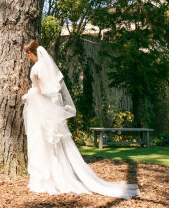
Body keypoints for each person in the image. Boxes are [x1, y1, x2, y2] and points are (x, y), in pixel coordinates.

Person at [22, 40, 140, 198]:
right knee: (52, 146)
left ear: (30, 53)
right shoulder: (46, 66)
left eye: (26, 53)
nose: (26, 56)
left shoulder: (37, 67)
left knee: (44, 145)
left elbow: (42, 90)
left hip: (42, 112)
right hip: (47, 111)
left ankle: (49, 179)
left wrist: (28, 95)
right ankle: (55, 176)